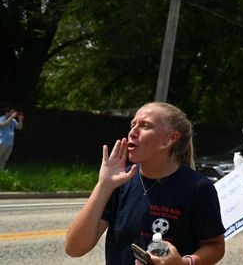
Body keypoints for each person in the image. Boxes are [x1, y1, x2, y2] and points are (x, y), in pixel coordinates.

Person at [64, 102, 225, 265]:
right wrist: (103, 185)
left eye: (145, 125)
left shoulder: (198, 188)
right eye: (133, 125)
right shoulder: (119, 183)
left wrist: (184, 263)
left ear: (170, 139)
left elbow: (215, 246)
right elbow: (75, 248)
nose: (133, 132)